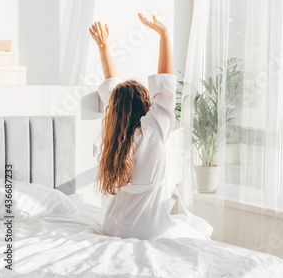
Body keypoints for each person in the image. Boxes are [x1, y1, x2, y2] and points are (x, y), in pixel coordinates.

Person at [90, 13, 213, 242]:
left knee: (191, 227)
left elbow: (112, 89)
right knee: (201, 232)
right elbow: (165, 87)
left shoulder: (118, 136)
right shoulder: (152, 132)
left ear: (114, 110)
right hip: (147, 231)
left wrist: (103, 46)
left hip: (113, 228)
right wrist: (163, 33)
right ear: (146, 105)